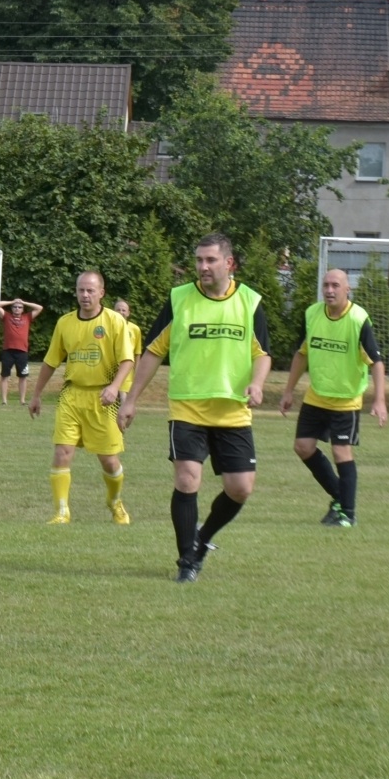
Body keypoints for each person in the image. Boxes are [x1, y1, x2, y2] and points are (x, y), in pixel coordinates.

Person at [118, 234, 272, 583]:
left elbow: (262, 353)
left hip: (232, 412)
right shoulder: (179, 299)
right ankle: (187, 560)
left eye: (210, 260)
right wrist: (132, 399)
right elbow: (154, 351)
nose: (203, 266)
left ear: (229, 264)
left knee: (241, 488)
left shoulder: (250, 301)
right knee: (187, 479)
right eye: (199, 260)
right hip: (187, 408)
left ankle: (201, 541)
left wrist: (258, 383)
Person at [279, 269, 388, 527]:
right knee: (303, 447)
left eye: (335, 285)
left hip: (346, 399)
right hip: (317, 395)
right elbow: (301, 354)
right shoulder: (312, 314)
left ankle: (348, 514)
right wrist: (288, 390)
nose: (329, 290)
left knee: (341, 452)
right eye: (326, 285)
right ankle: (340, 496)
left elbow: (377, 362)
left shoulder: (358, 319)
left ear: (347, 289)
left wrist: (379, 399)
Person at [27, 271, 134, 525]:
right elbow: (51, 361)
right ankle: (61, 512)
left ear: (101, 293)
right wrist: (37, 394)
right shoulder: (65, 323)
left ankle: (115, 502)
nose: (85, 295)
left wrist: (114, 387)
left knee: (109, 461)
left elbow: (127, 360)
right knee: (62, 452)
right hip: (71, 396)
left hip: (103, 400)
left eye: (90, 290)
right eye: (80, 290)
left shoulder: (114, 321)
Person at [0, 296, 44, 405]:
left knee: (23, 376)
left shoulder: (27, 317)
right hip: (8, 350)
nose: (17, 308)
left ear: (23, 309)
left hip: (22, 351)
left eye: (19, 307)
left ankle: (22, 400)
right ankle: (4, 401)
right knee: (5, 376)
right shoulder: (6, 316)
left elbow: (39, 308)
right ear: (12, 308)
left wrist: (24, 302)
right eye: (15, 307)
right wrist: (12, 301)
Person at [113, 298, 142, 393]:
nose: (121, 312)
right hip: (109, 375)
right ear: (113, 311)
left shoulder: (135, 329)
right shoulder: (107, 327)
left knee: (124, 403)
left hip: (127, 377)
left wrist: (137, 375)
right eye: (118, 310)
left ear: (128, 313)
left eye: (123, 310)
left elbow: (137, 354)